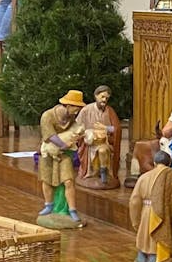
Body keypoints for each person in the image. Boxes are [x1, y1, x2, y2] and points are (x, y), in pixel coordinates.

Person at [128, 149, 172, 262]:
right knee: (158, 234)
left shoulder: (144, 177)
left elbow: (134, 201)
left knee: (144, 234)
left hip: (145, 210)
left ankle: (142, 256)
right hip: (162, 213)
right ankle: (156, 258)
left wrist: (136, 220)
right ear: (169, 163)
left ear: (154, 162)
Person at [37, 89, 86, 226]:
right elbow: (49, 135)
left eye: (79, 108)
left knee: (68, 181)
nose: (77, 111)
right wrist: (63, 144)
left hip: (65, 154)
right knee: (47, 180)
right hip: (48, 151)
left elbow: (75, 130)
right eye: (76, 108)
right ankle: (49, 205)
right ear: (68, 105)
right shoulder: (47, 116)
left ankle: (72, 209)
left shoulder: (71, 118)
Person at [75, 85, 122, 188]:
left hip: (104, 142)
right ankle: (92, 172)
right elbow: (77, 127)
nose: (104, 100)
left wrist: (105, 128)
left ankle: (103, 172)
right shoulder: (86, 110)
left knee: (103, 151)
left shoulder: (110, 111)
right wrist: (86, 133)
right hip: (89, 144)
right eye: (102, 97)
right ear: (96, 96)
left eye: (106, 98)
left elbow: (117, 129)